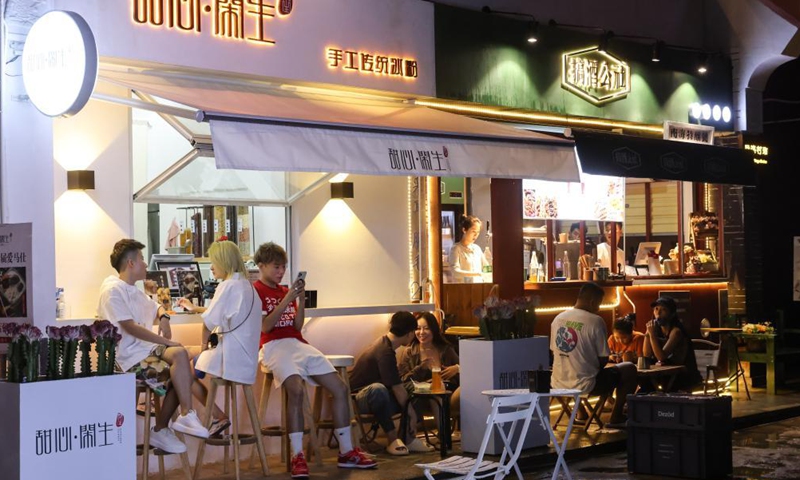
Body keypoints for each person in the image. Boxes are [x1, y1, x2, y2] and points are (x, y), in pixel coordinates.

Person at [252, 242, 375, 476]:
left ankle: (346, 451)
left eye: (283, 267)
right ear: (262, 265)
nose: (281, 272)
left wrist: (300, 300)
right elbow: (265, 327)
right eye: (276, 267)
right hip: (272, 346)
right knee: (296, 390)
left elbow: (298, 326)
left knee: (339, 387)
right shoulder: (256, 291)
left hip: (298, 344)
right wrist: (288, 298)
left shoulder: (284, 290)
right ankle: (297, 456)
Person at [97, 239, 210, 455]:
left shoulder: (133, 290)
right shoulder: (112, 290)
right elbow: (129, 327)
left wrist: (165, 317)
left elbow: (156, 306)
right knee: (181, 371)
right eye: (141, 259)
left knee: (180, 356)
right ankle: (163, 427)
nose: (145, 264)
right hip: (127, 359)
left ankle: (184, 416)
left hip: (144, 352)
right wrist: (165, 341)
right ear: (130, 263)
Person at [551, 282, 637, 427]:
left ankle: (581, 412)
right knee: (629, 369)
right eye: (599, 304)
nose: (598, 308)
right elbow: (603, 359)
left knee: (574, 370)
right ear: (592, 301)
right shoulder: (596, 321)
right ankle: (616, 416)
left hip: (557, 383)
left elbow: (555, 351)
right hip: (588, 386)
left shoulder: (557, 319)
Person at [350, 311, 432, 455]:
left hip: (382, 397)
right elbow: (397, 388)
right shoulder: (384, 351)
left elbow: (398, 385)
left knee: (418, 387)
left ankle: (408, 438)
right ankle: (393, 439)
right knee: (379, 389)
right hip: (360, 398)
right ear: (410, 333)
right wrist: (411, 414)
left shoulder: (387, 344)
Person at [397, 312, 461, 434]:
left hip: (448, 392)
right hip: (422, 395)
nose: (421, 332)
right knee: (434, 392)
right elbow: (402, 379)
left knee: (442, 391)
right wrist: (421, 368)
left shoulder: (445, 349)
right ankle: (444, 437)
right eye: (418, 328)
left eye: (426, 328)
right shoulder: (409, 352)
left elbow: (469, 368)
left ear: (434, 330)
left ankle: (448, 438)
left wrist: (456, 368)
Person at [643, 296, 703, 392]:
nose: (658, 313)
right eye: (656, 309)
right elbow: (646, 355)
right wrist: (648, 334)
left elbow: (661, 357)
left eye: (663, 310)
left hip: (683, 376)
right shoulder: (655, 329)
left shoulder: (676, 332)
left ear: (672, 314)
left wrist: (652, 336)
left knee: (650, 387)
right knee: (643, 383)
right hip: (665, 375)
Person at [448, 215, 488, 283]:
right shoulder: (456, 249)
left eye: (478, 232)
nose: (476, 235)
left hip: (479, 288)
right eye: (473, 231)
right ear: (464, 230)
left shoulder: (477, 249)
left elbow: (486, 267)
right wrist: (477, 274)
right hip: (464, 290)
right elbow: (455, 272)